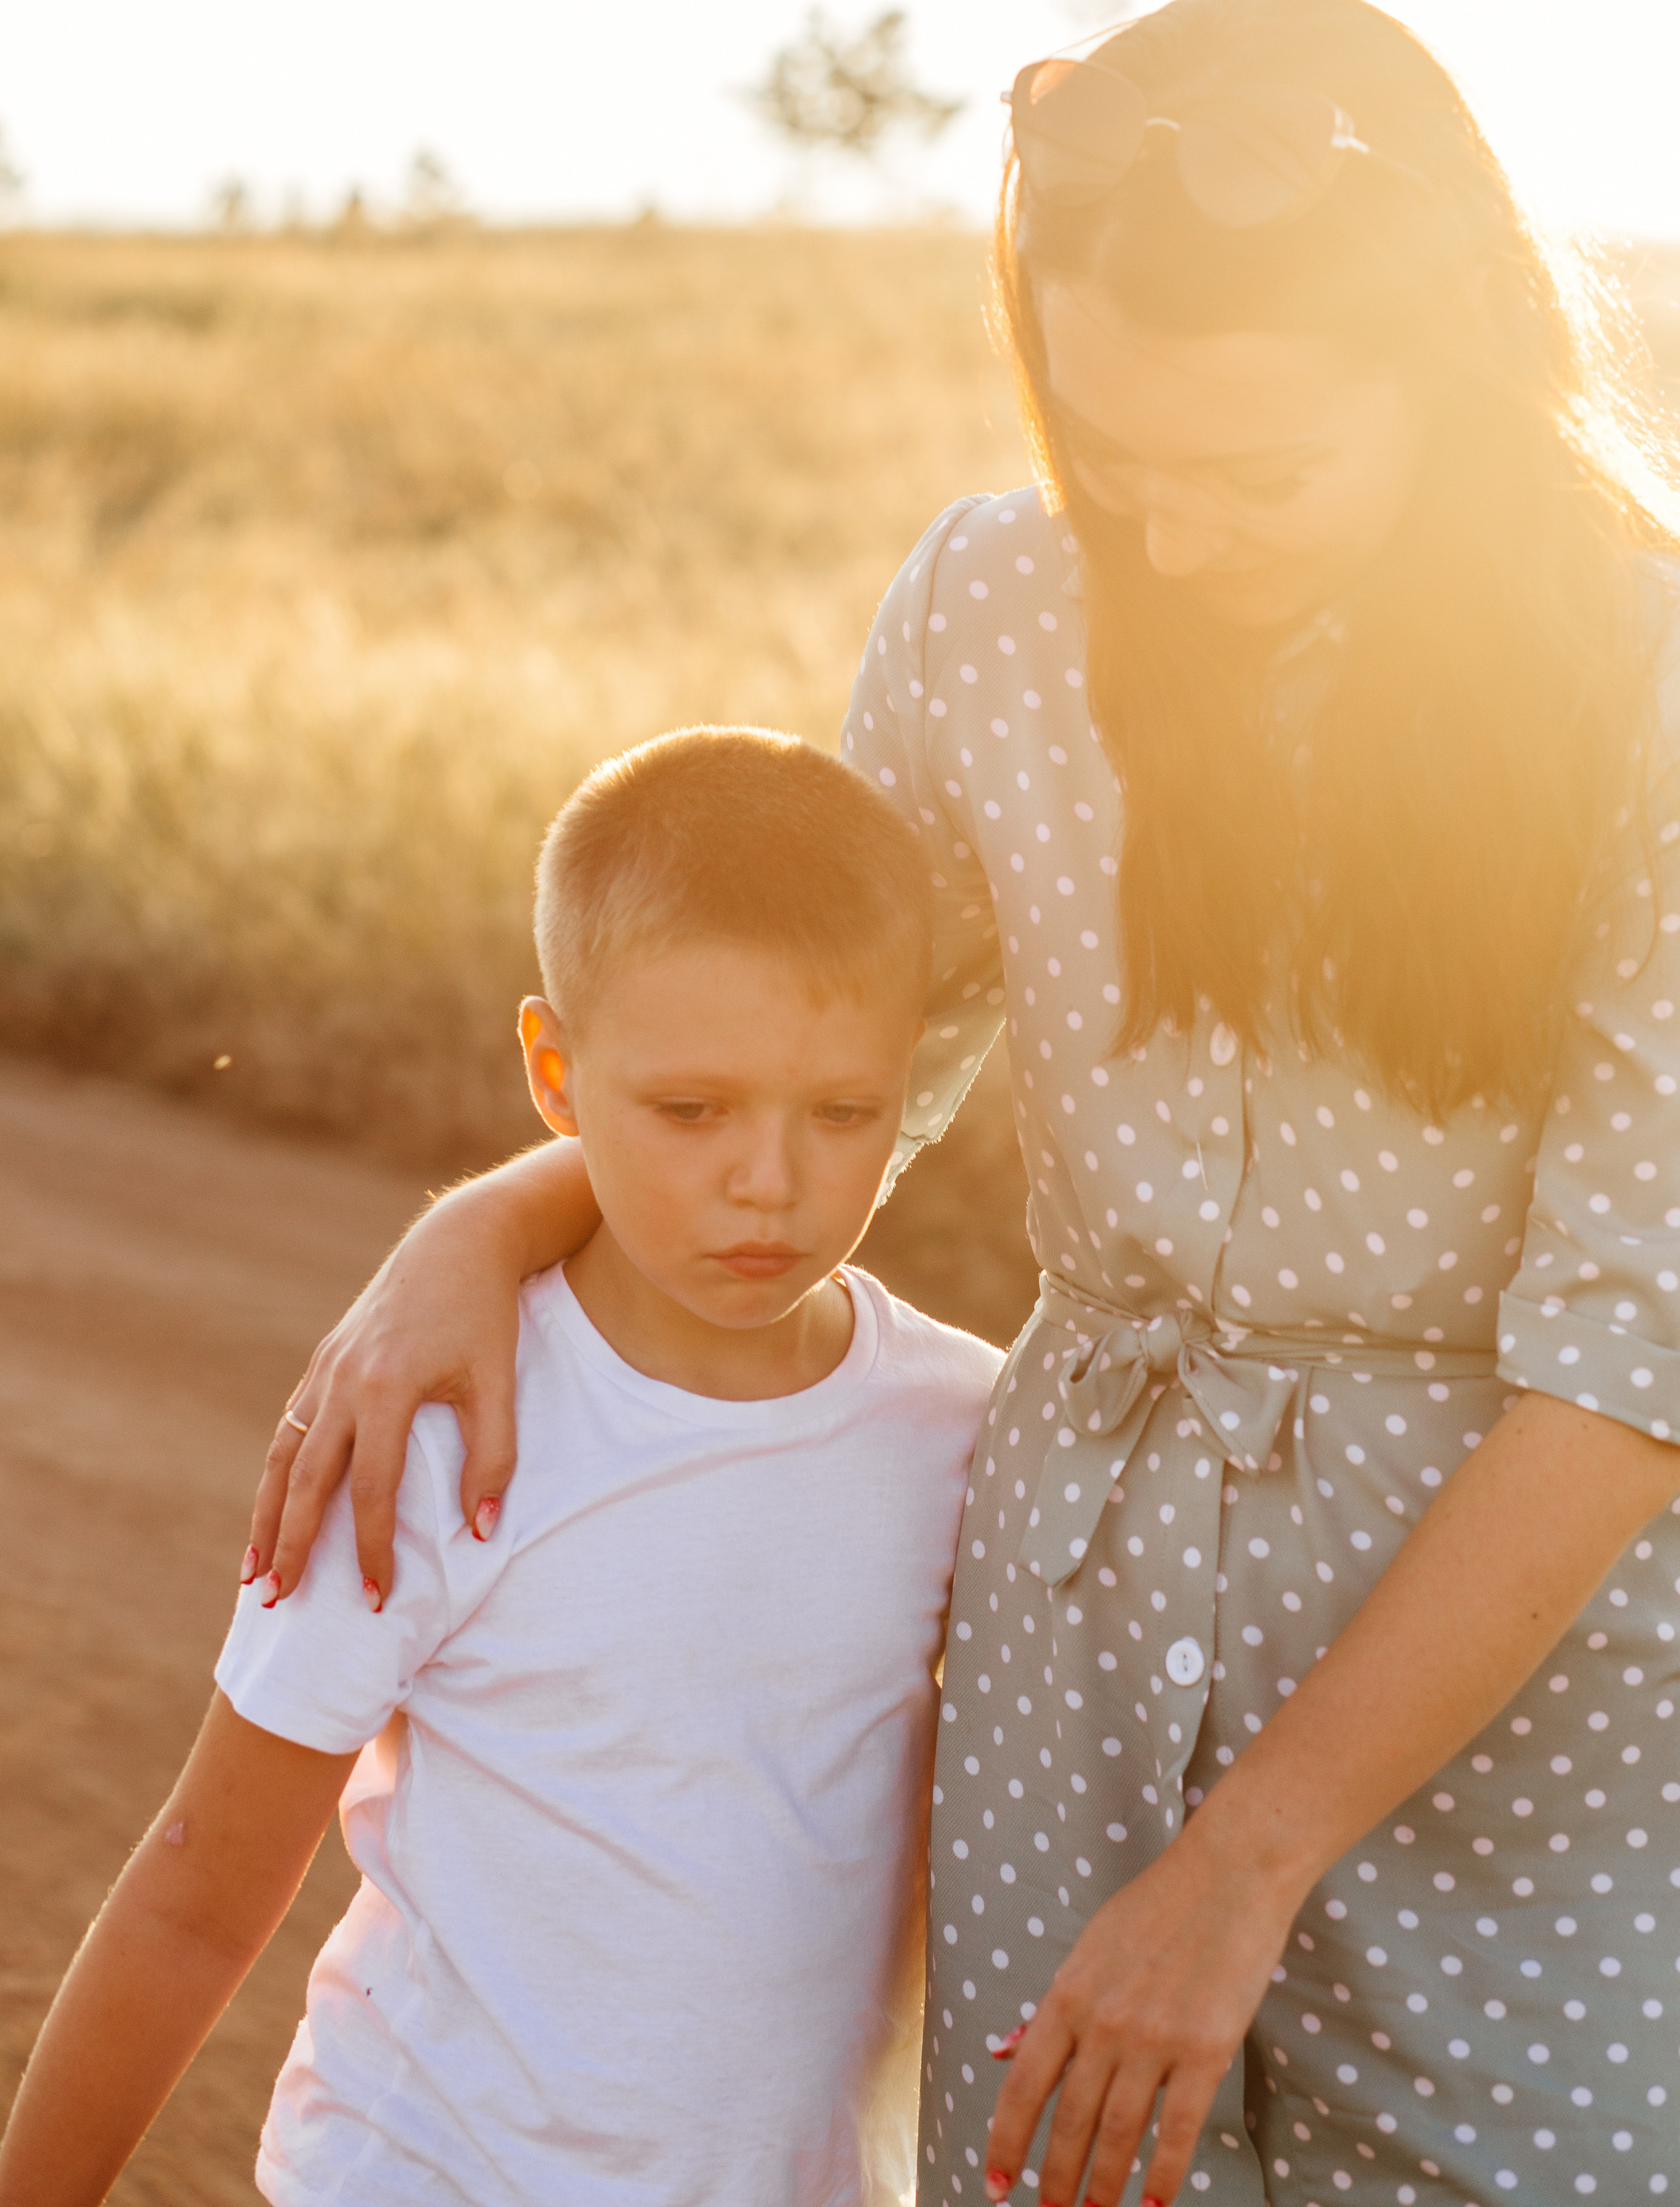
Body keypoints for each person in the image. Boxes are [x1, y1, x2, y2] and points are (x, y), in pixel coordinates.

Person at [245, 0, 1680, 2207]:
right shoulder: (991, 604)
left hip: (1522, 1708)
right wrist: (482, 1223)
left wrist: (1247, 1862)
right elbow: (830, 1070)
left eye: (1257, 471)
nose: (1167, 538)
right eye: (1119, 455)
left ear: (1457, 373)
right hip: (1074, 1665)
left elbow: (1628, 1365)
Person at [0, 728, 1000, 2207]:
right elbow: (196, 1894)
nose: (769, 1183)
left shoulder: (966, 1430)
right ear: (554, 1072)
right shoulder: (434, 1421)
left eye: (843, 1112)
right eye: (691, 1111)